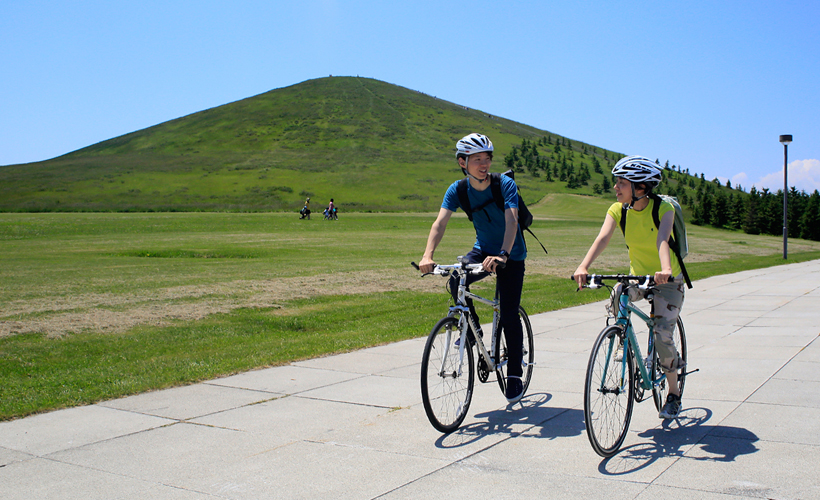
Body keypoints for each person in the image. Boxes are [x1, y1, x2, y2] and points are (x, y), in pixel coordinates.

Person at [418, 133, 528, 403]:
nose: (484, 164)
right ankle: (471, 333)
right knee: (456, 279)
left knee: (509, 313)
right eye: (476, 159)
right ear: (462, 163)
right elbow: (440, 223)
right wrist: (427, 255)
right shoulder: (457, 190)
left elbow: (512, 221)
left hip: (510, 253)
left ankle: (514, 372)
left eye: (487, 158)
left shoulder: (504, 185)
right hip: (482, 250)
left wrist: (503, 254)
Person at [573, 155, 686, 419]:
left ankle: (673, 393)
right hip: (639, 278)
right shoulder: (617, 209)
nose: (616, 188)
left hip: (668, 280)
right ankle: (622, 337)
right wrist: (583, 266)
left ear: (641, 188)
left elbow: (663, 238)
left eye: (622, 183)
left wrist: (666, 269)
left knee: (662, 335)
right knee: (617, 294)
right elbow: (603, 238)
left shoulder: (663, 209)